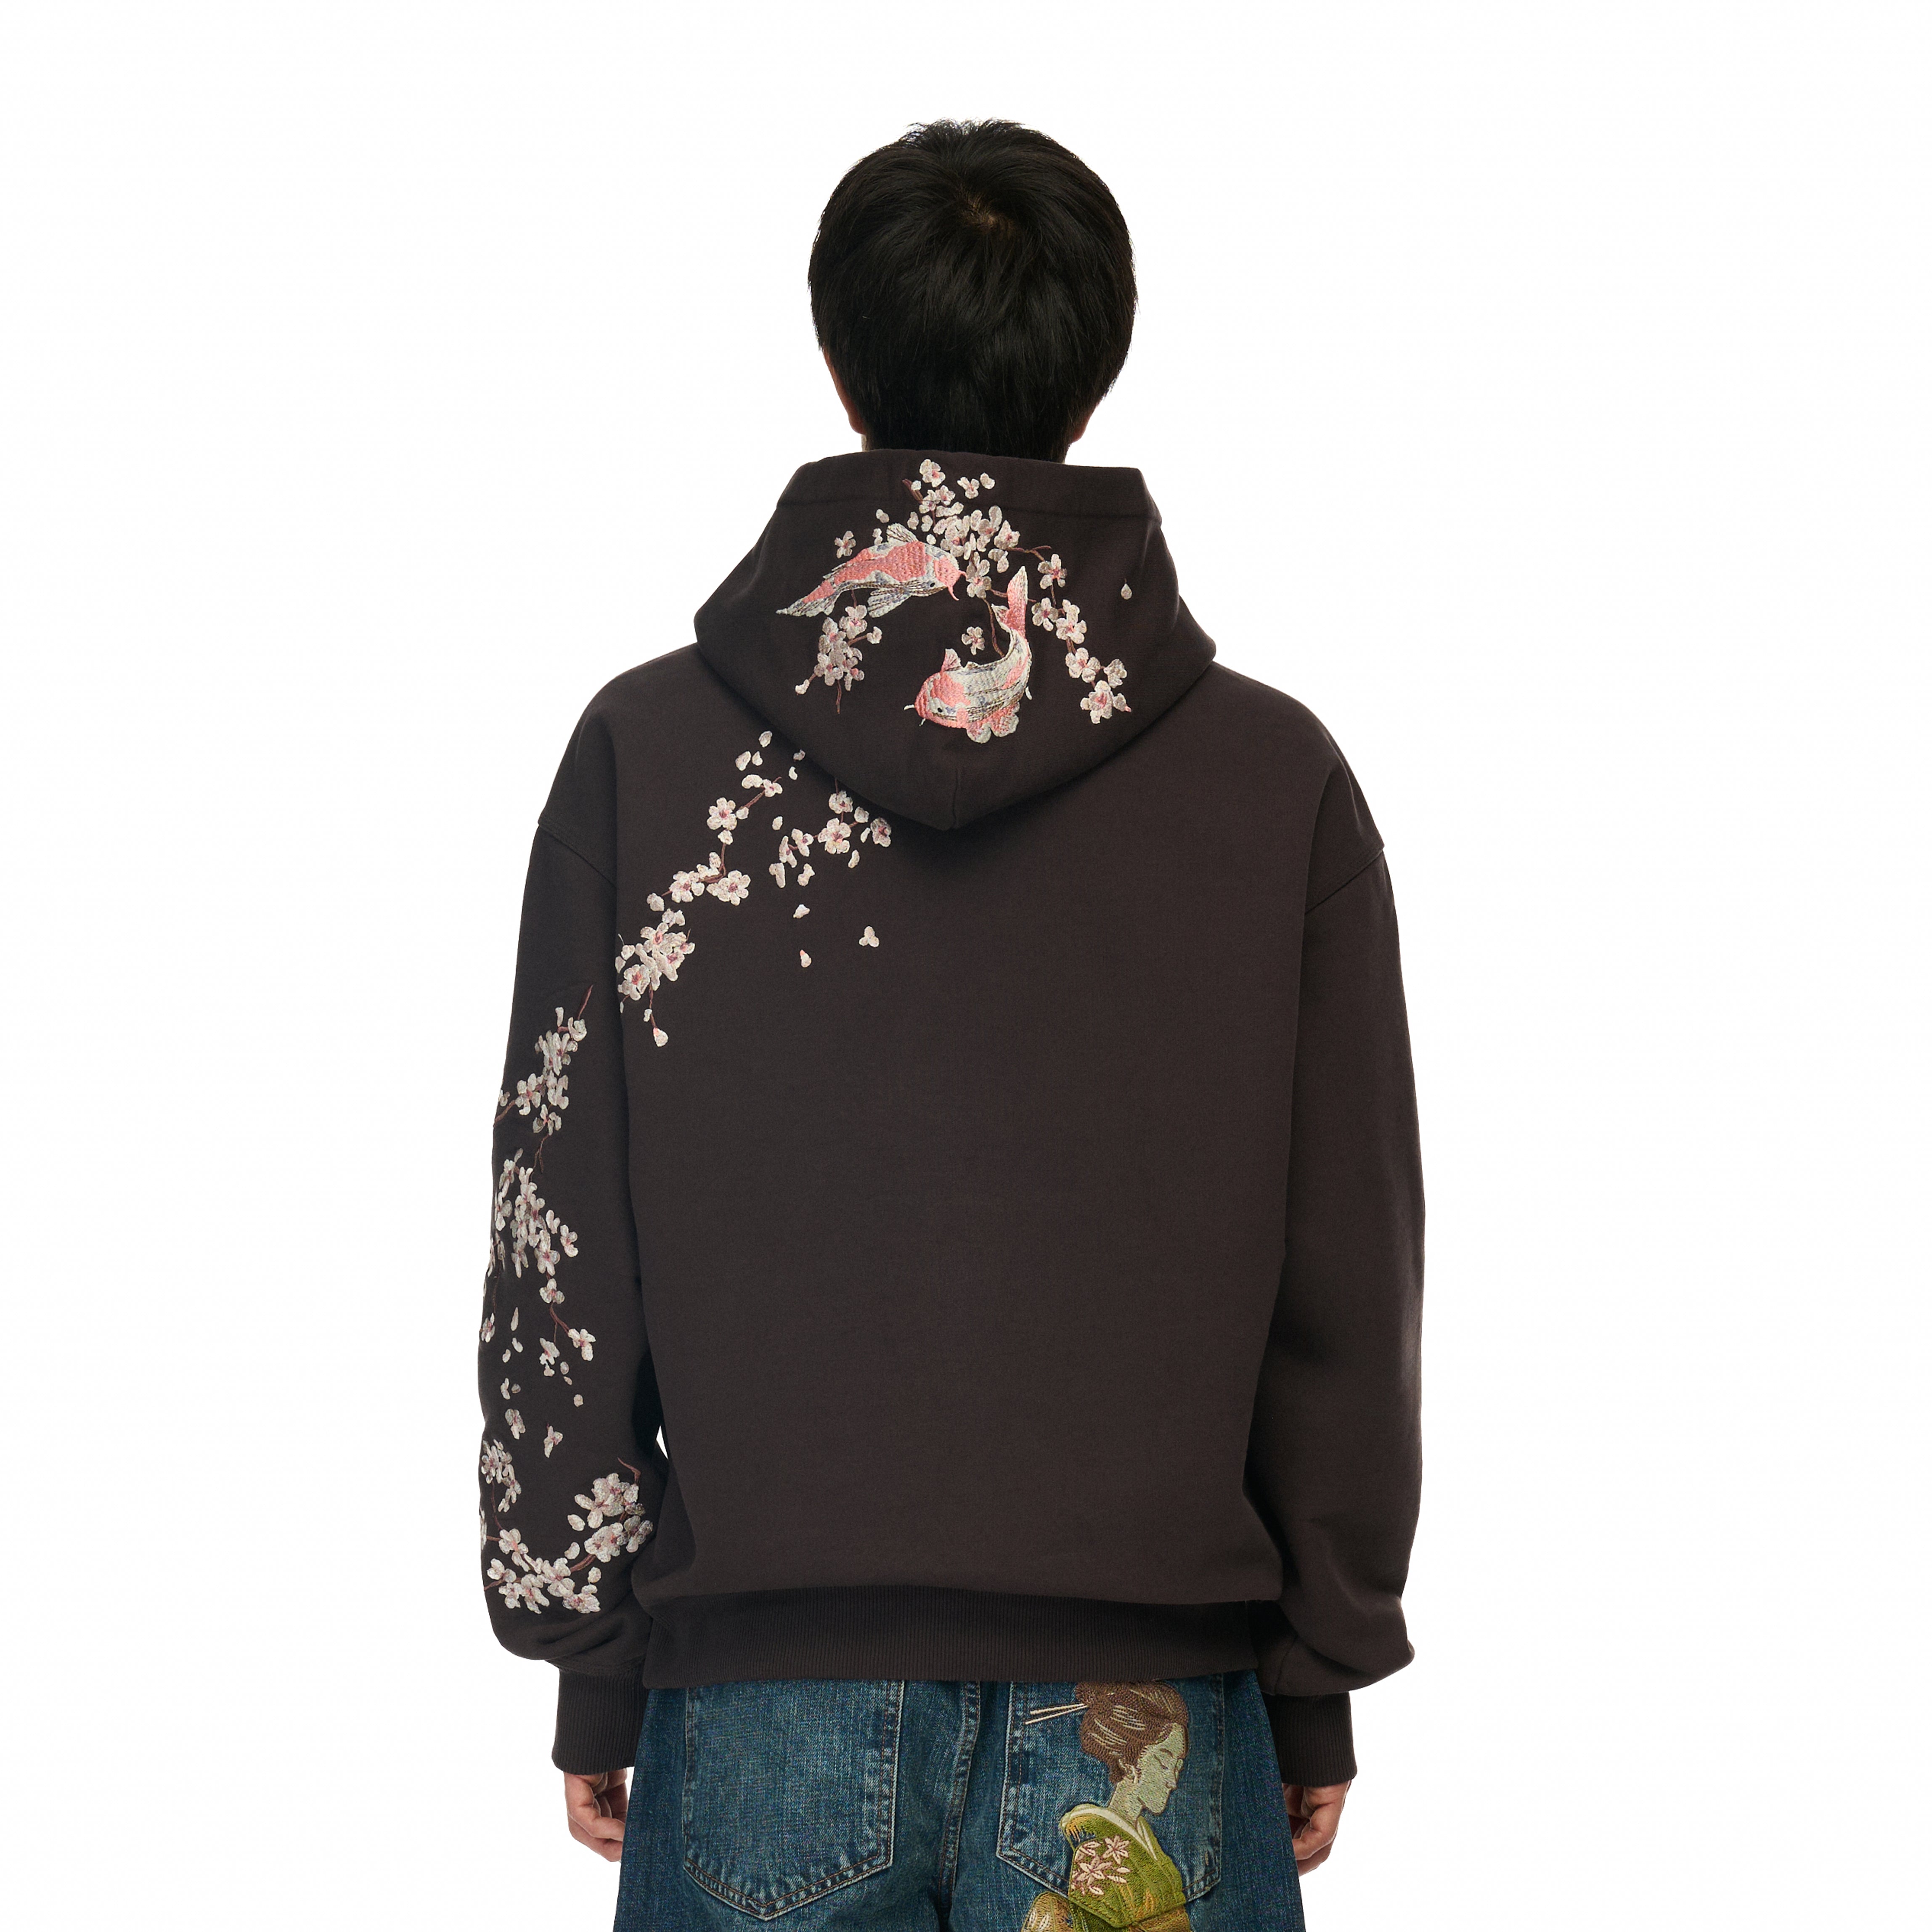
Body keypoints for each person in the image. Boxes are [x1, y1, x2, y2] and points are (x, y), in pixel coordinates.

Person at [477, 119, 1423, 1931]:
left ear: (840, 360)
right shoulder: (1270, 782)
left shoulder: (649, 757)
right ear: (1098, 361)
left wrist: (593, 1657)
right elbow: (1349, 1275)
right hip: (1150, 1709)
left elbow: (559, 1236)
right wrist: (1319, 1667)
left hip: (756, 1699)